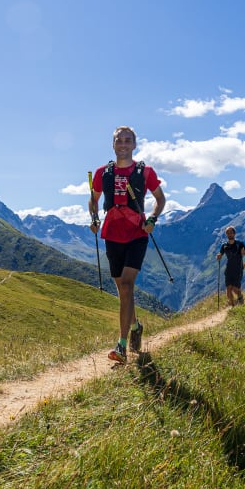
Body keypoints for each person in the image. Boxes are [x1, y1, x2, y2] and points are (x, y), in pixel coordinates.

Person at [89, 126, 166, 363]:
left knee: (126, 285)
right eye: (119, 140)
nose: (123, 144)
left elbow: (160, 199)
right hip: (112, 233)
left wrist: (152, 219)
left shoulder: (145, 172)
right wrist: (94, 218)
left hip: (137, 233)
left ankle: (121, 346)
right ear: (113, 144)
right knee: (122, 288)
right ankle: (135, 326)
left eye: (127, 140)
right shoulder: (102, 173)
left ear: (134, 144)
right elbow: (93, 200)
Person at [216, 226, 245, 306]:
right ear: (226, 234)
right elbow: (220, 254)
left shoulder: (240, 244)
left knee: (234, 288)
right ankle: (233, 306)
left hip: (238, 269)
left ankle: (240, 297)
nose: (229, 234)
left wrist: (244, 253)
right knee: (228, 289)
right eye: (228, 233)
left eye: (231, 232)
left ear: (234, 234)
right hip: (229, 269)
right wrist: (219, 256)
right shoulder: (224, 245)